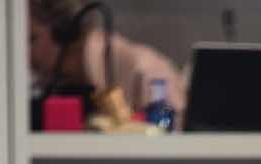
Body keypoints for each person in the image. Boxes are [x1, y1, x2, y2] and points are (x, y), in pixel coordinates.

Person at [28, 0, 185, 118]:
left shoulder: (146, 72)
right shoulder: (57, 87)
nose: (25, 54)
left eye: (31, 39)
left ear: (64, 30)